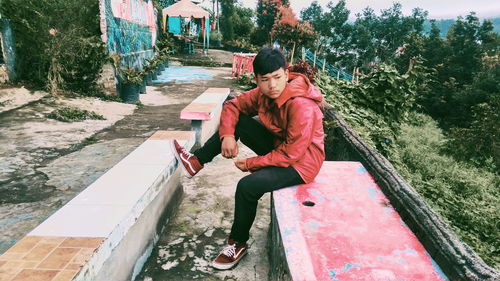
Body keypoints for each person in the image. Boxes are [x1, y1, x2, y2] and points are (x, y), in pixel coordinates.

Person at [170, 47, 325, 270]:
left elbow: (292, 154)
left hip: (302, 164)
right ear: (257, 79)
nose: (273, 85)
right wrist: (228, 136)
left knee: (247, 187)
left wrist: (251, 164)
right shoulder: (263, 94)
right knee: (239, 121)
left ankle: (237, 244)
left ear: (286, 73)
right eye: (265, 79)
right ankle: (195, 162)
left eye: (278, 78)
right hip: (280, 148)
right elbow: (233, 105)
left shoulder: (301, 105)